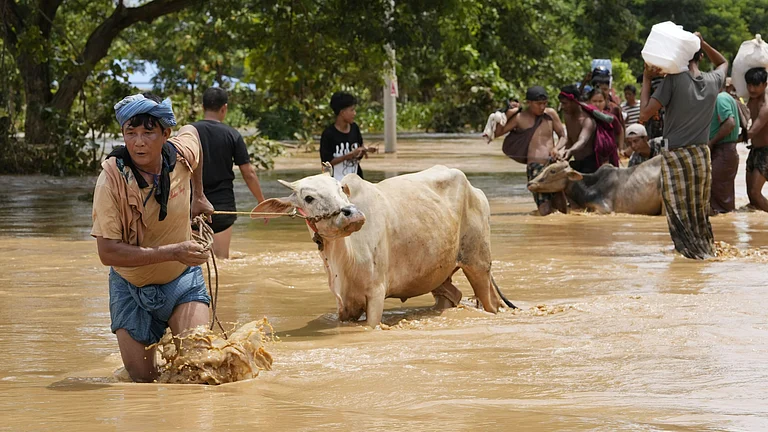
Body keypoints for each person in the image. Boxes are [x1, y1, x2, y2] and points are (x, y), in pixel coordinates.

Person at [92, 93, 214, 382]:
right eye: (130, 133)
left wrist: (199, 194)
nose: (138, 142)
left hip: (182, 280)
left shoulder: (181, 154)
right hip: (130, 286)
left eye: (148, 132)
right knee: (143, 381)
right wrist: (173, 251)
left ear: (165, 133)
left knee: (199, 367)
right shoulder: (111, 180)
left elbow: (194, 133)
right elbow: (107, 253)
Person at [639, 32, 728, 259]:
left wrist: (647, 78)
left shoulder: (674, 81)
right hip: (700, 155)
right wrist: (703, 42)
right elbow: (723, 62)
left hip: (676, 155)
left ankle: (689, 256)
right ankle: (705, 252)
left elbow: (644, 115)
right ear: (698, 55)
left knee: (678, 211)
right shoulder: (712, 81)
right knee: (698, 211)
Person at [192, 88, 265, 259]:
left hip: (193, 205)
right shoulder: (232, 134)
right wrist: (261, 202)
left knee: (196, 262)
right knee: (222, 260)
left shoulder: (189, 132)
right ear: (224, 108)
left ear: (203, 107)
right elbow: (249, 173)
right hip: (222, 207)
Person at [493, 86, 568, 215]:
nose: (542, 107)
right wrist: (509, 113)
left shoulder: (550, 114)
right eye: (538, 104)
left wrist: (557, 148)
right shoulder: (519, 118)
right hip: (535, 168)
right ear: (529, 102)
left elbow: (563, 136)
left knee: (561, 207)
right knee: (544, 209)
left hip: (553, 165)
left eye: (545, 103)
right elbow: (497, 133)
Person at [320, 92, 376, 182]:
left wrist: (364, 151)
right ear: (342, 112)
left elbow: (358, 152)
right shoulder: (328, 134)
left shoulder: (355, 128)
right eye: (352, 110)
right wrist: (349, 155)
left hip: (355, 181)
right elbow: (327, 163)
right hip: (336, 183)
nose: (354, 113)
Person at [707, 87, 740, 214]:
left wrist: (711, 141)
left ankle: (723, 229)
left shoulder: (720, 98)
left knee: (719, 199)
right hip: (725, 150)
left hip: (723, 150)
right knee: (721, 195)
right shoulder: (725, 97)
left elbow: (730, 123)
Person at [558, 85, 598, 173]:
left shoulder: (587, 120)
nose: (563, 107)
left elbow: (582, 141)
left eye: (565, 103)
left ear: (575, 101)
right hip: (577, 161)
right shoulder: (567, 116)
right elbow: (570, 139)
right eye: (561, 103)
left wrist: (570, 151)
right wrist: (564, 156)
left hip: (590, 164)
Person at [745, 67, 768, 212]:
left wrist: (726, 139)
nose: (751, 89)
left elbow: (752, 131)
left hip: (766, 152)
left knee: (755, 192)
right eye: (749, 85)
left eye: (755, 85)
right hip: (754, 150)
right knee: (751, 197)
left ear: (765, 85)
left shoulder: (766, 106)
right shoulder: (751, 100)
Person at [586, 88, 624, 163]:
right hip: (591, 154)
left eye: (600, 101)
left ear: (605, 102)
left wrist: (621, 148)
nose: (597, 104)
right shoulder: (587, 118)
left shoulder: (610, 117)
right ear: (589, 102)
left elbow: (620, 130)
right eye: (594, 101)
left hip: (610, 154)